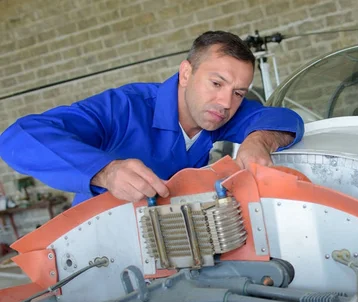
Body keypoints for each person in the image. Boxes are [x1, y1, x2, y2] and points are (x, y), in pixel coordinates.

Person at [0, 31, 304, 206]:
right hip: (99, 245)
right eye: (216, 83)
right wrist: (105, 171)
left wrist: (258, 140)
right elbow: (19, 137)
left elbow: (282, 118)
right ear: (186, 73)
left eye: (238, 92)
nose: (226, 102)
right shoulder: (123, 108)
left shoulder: (217, 112)